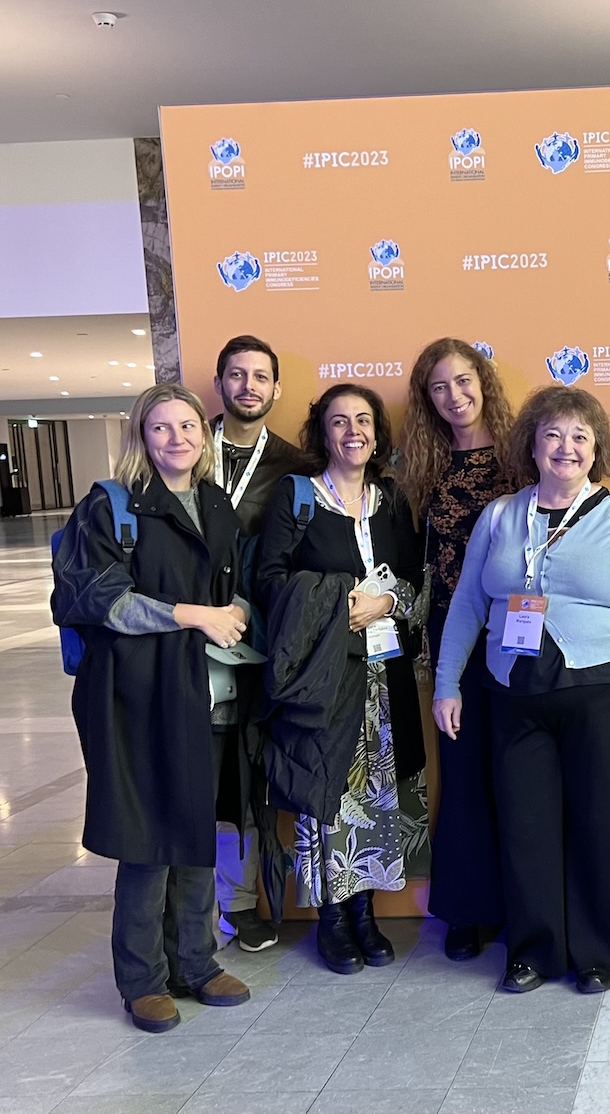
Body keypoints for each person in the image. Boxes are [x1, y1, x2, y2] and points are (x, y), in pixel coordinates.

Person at [433, 386, 610, 995]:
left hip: (605, 690)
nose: (566, 448)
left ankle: (594, 954)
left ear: (597, 450)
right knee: (525, 825)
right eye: (553, 435)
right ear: (533, 446)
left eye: (580, 437)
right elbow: (468, 603)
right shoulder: (498, 516)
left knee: (598, 824)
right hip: (515, 693)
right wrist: (445, 682)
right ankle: (533, 951)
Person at [51, 383, 252, 1033]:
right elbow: (98, 599)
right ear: (142, 436)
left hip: (206, 693)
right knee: (147, 839)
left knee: (194, 831)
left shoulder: (217, 504)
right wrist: (193, 614)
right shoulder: (110, 507)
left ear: (204, 434)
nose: (177, 438)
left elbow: (240, 582)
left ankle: (196, 960)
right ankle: (141, 979)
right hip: (135, 695)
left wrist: (239, 610)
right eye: (161, 427)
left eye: (188, 426)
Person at [257, 384, 424, 975]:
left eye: (363, 420)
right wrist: (336, 605)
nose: (353, 430)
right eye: (338, 421)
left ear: (377, 432)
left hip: (385, 676)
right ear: (321, 433)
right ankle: (332, 919)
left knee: (377, 799)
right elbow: (269, 582)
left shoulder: (394, 501)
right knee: (327, 795)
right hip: (325, 679)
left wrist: (387, 603)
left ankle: (367, 915)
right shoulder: (296, 497)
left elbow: (415, 580)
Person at [399, 338, 520, 961]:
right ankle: (469, 911)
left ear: (484, 382)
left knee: (521, 771)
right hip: (456, 634)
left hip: (524, 630)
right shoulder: (422, 468)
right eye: (439, 387)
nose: (455, 396)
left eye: (464, 381)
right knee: (467, 771)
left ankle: (520, 902)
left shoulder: (523, 457)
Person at [205, 333, 306, 953]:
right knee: (201, 775)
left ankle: (246, 900)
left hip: (262, 643)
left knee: (250, 776)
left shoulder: (292, 466)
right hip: (189, 636)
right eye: (236, 375)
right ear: (219, 383)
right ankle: (205, 902)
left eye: (260, 376)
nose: (248, 386)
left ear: (275, 388)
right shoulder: (188, 446)